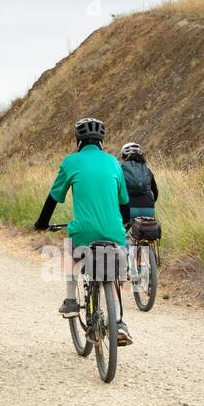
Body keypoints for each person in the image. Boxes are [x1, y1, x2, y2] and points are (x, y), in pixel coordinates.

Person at [32, 117, 133, 346]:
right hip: (114, 233)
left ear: (78, 141)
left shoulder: (71, 162)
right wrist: (124, 224)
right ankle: (117, 321)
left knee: (71, 251)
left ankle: (70, 299)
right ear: (101, 142)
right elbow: (125, 202)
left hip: (84, 233)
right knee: (114, 273)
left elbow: (53, 198)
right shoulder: (113, 163)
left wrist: (41, 223)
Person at [118, 142, 158, 226]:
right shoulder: (147, 170)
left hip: (127, 210)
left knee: (123, 234)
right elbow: (155, 192)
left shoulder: (120, 170)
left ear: (123, 156)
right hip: (148, 208)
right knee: (148, 233)